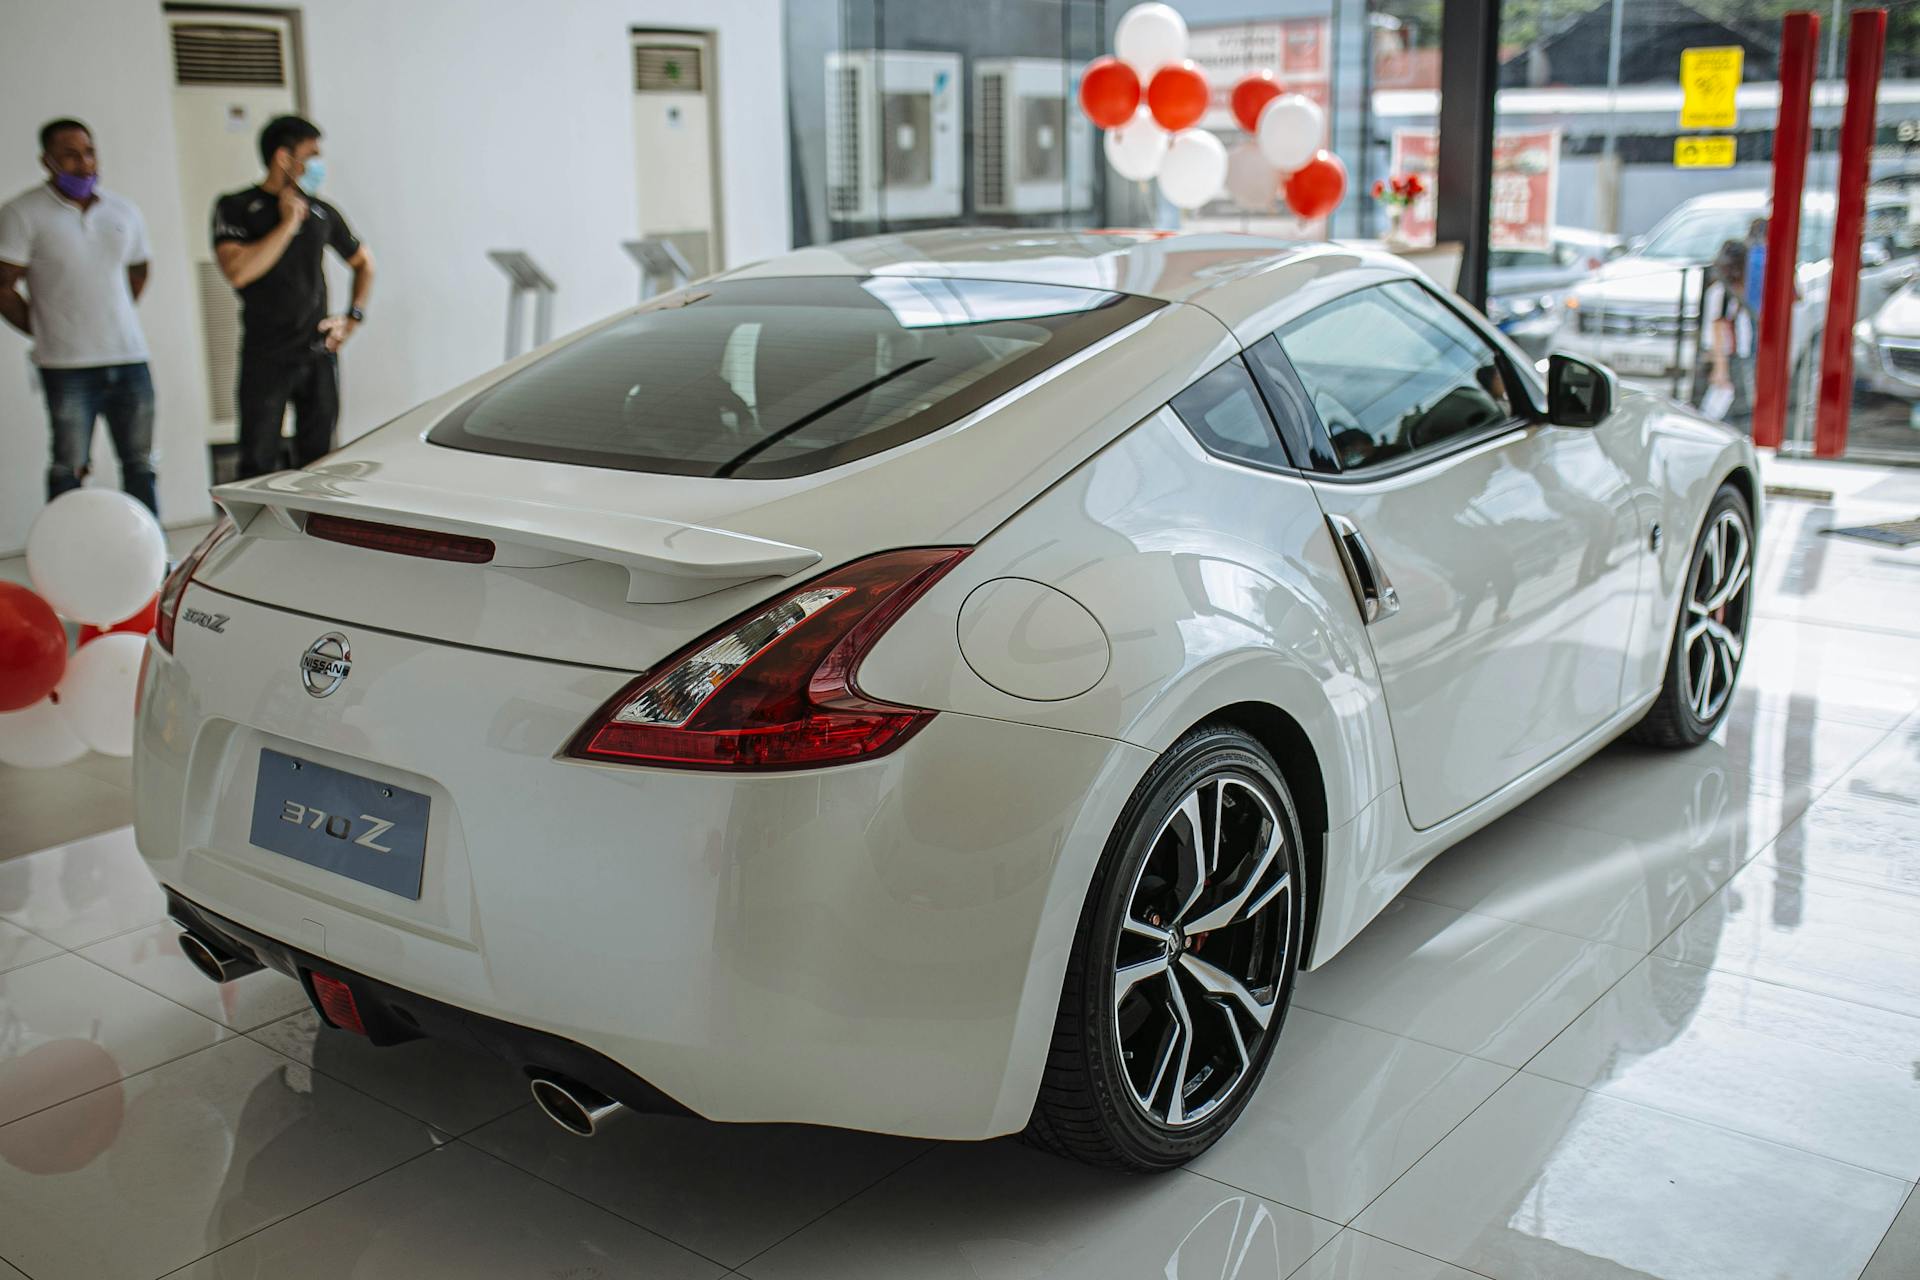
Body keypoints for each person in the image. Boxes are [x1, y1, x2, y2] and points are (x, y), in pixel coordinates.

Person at [0, 119, 157, 513]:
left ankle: (153, 553)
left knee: (140, 464)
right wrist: (41, 327)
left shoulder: (122, 210)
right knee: (68, 466)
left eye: (88, 152)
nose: (83, 163)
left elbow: (138, 268)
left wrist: (108, 310)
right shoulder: (23, 213)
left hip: (129, 358)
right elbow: (4, 284)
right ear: (47, 160)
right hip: (67, 365)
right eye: (70, 154)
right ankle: (62, 557)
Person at [213, 114, 374, 478]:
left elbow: (365, 263)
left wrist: (353, 318)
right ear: (284, 158)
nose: (318, 165)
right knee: (257, 459)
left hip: (318, 352)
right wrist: (287, 224)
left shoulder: (322, 211)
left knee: (319, 462)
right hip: (265, 355)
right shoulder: (236, 206)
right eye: (311, 155)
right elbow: (238, 271)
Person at [1704, 238, 1756, 427]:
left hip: (1738, 355)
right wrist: (1721, 368)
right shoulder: (1721, 293)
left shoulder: (1737, 291)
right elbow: (1717, 330)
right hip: (1728, 357)